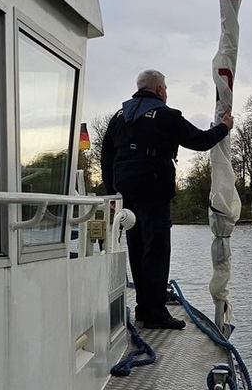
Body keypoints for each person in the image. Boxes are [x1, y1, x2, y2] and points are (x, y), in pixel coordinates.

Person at [100, 69, 233, 329]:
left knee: (137, 250)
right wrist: (224, 128)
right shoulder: (166, 116)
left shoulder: (118, 117)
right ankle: (156, 313)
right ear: (160, 90)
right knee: (157, 251)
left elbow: (106, 158)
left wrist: (112, 193)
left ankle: (143, 307)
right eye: (166, 89)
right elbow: (200, 141)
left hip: (125, 194)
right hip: (154, 191)